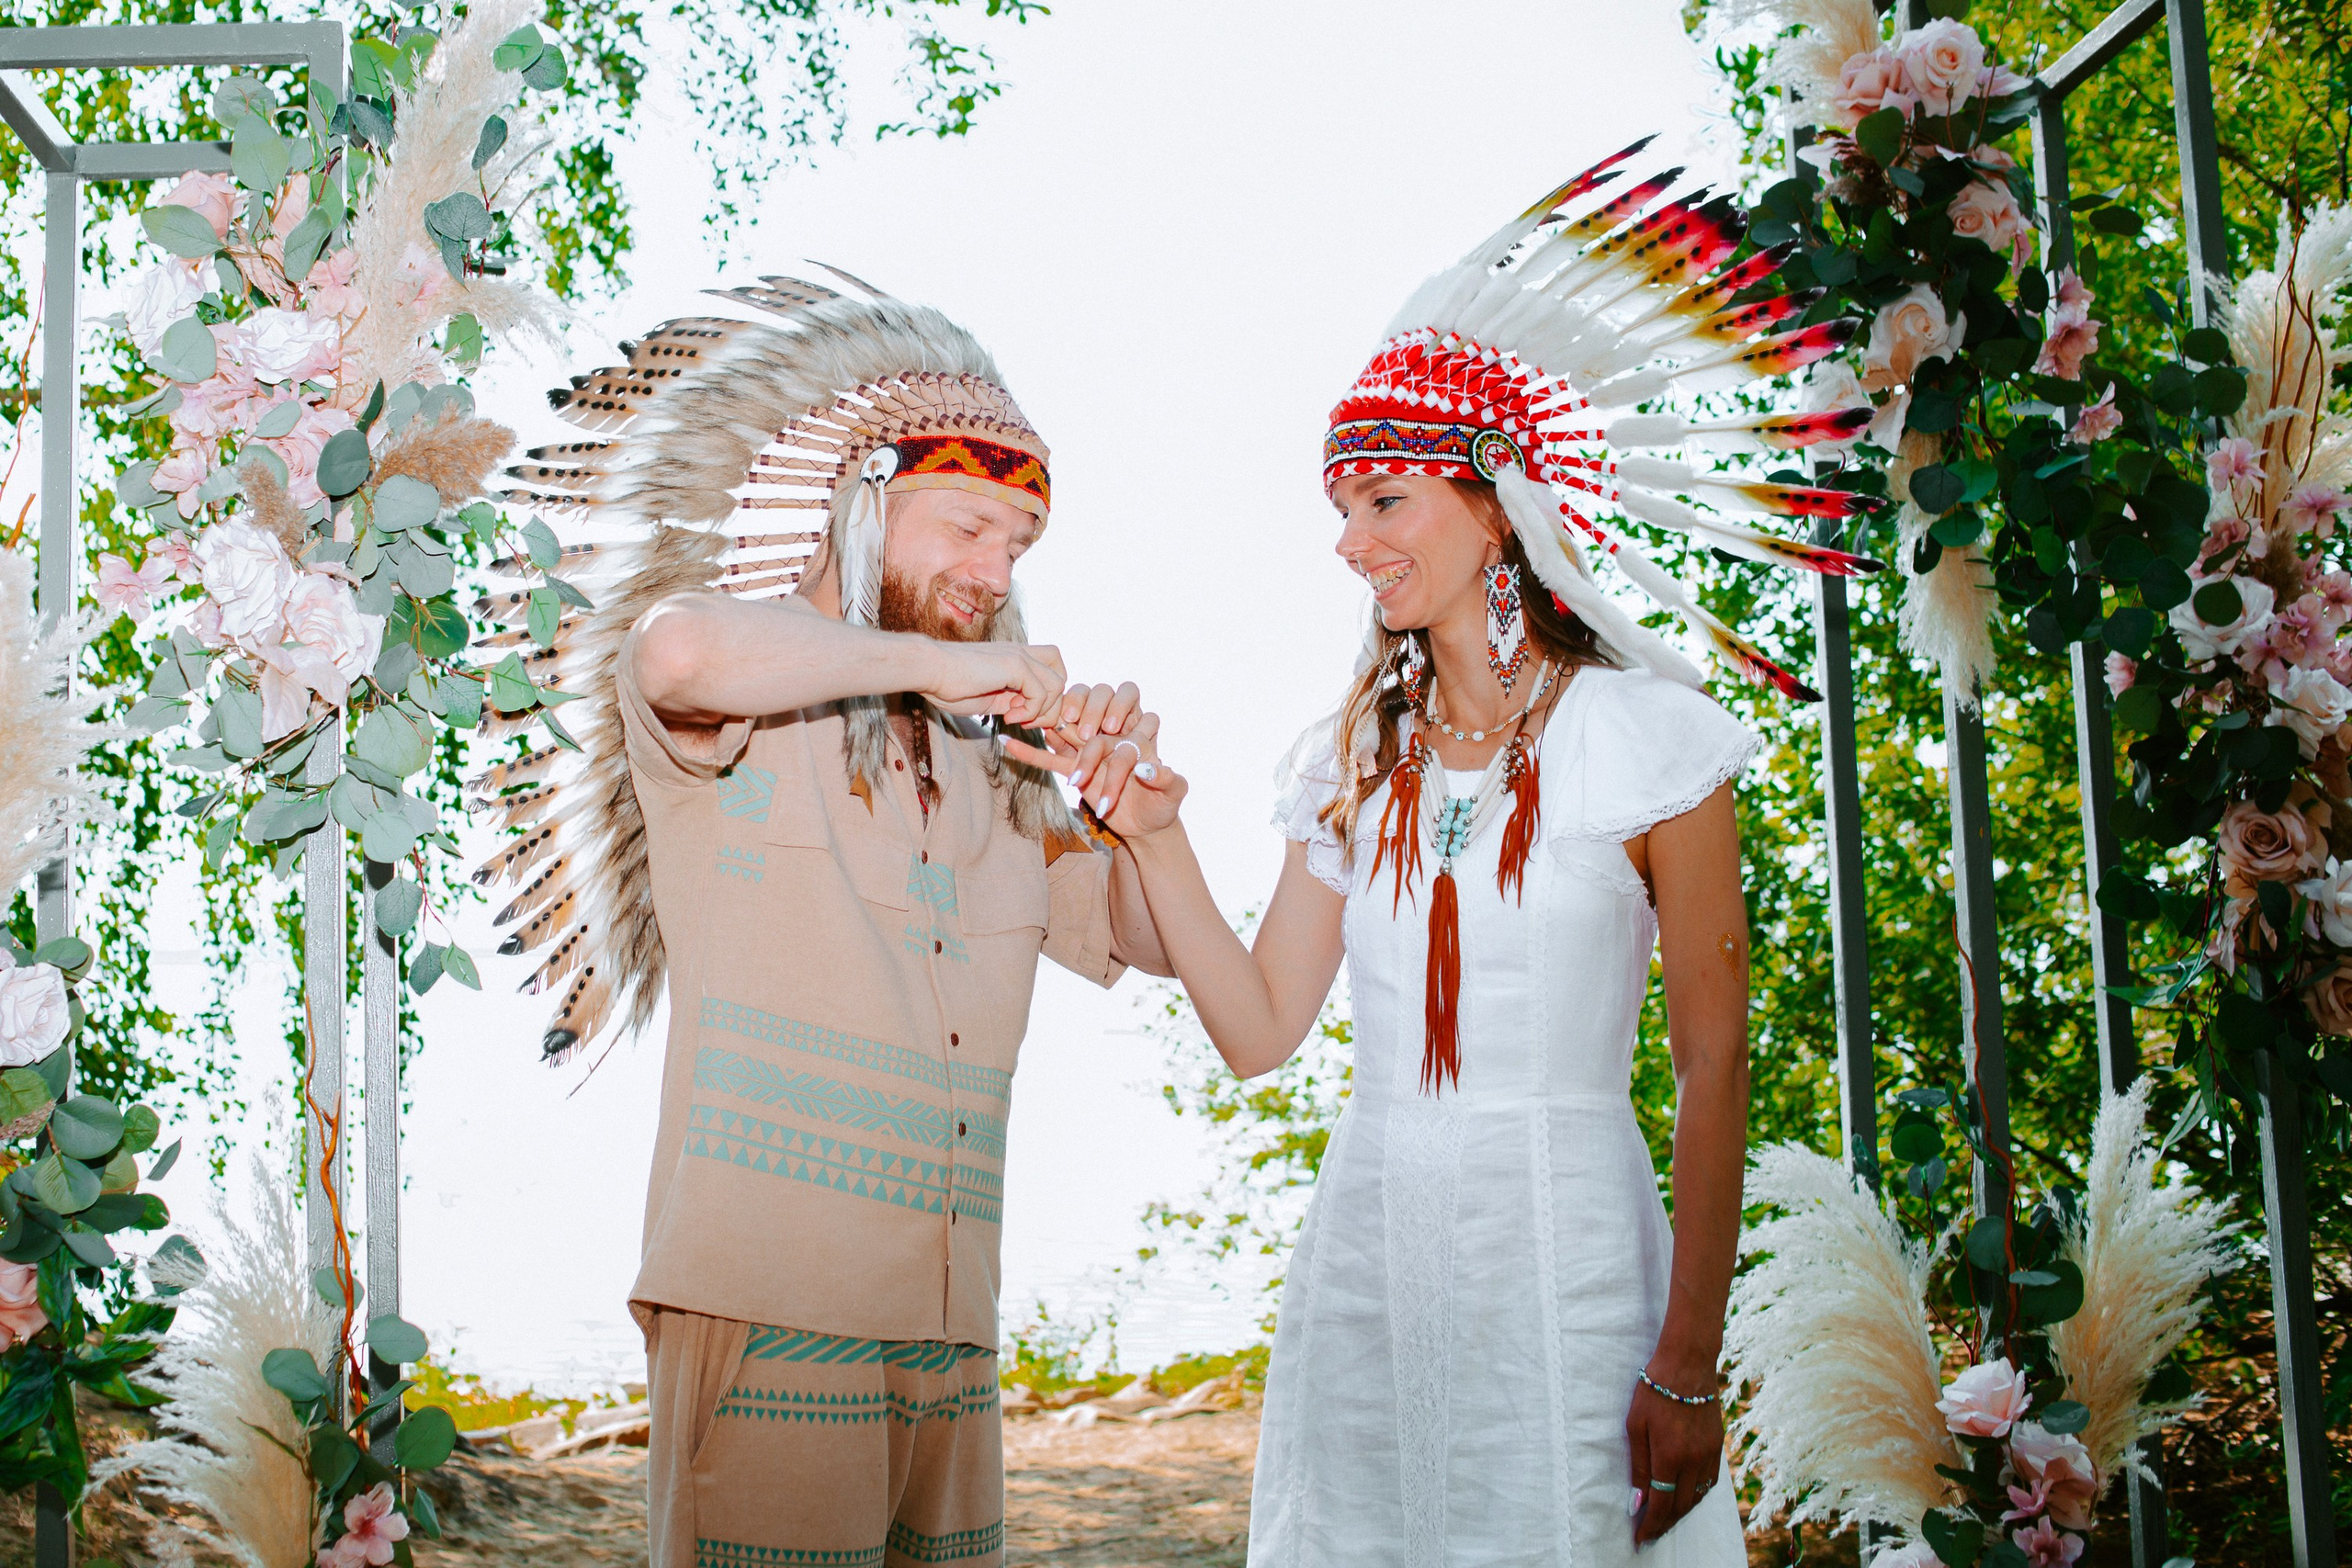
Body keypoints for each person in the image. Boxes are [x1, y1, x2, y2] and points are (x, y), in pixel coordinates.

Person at [1009, 146, 1881, 1563]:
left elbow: (1713, 1066)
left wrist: (1688, 1361)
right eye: (1341, 510)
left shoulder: (1649, 742)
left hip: (1573, 1262)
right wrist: (1155, 840)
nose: (1350, 544)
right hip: (1368, 1264)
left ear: (1494, 504)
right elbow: (1257, 1029)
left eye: (1383, 502)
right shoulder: (1349, 764)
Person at [483, 274, 1172, 1568]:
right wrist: (938, 664)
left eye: (1018, 548)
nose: (994, 572)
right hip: (774, 1305)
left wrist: (1133, 799)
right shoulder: (748, 679)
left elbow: (1137, 938)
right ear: (864, 501)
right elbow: (676, 656)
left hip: (957, 1316)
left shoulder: (995, 757)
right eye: (969, 526)